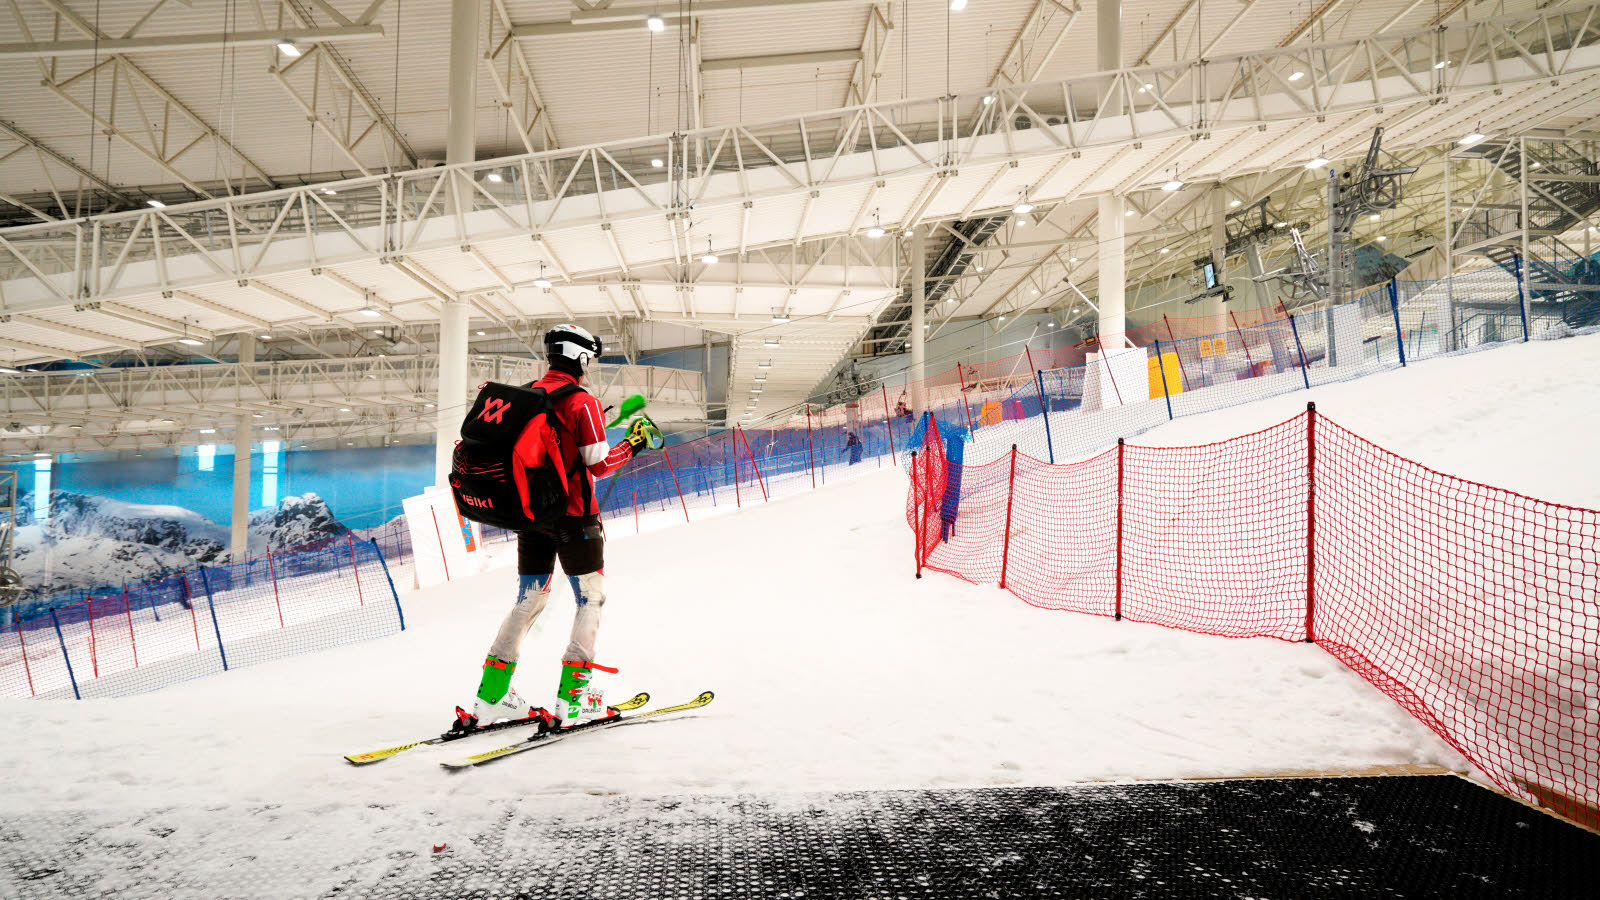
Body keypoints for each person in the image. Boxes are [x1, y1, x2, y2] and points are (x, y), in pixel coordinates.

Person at [466, 324, 659, 731]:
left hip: (531, 518)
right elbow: (600, 465)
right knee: (590, 598)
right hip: (574, 518)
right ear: (581, 359)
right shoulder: (582, 402)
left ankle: (491, 696)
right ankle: (574, 701)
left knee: (528, 600)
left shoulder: (529, 395)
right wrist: (634, 442)